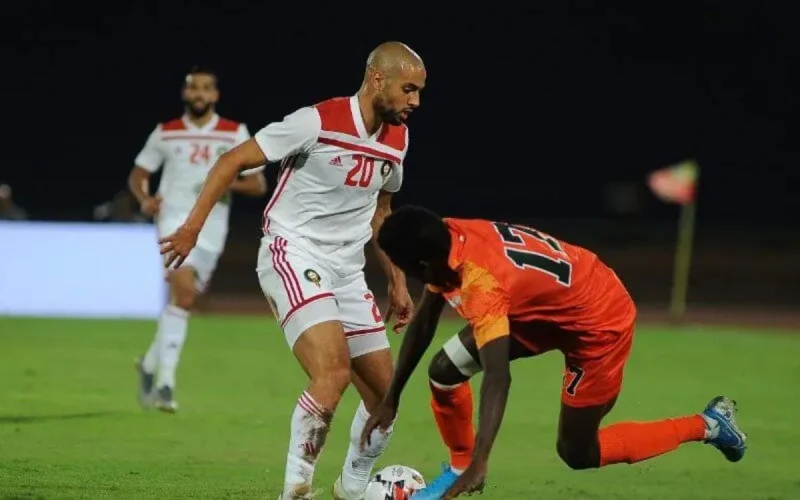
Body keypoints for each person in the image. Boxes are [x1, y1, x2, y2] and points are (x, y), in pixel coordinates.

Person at [158, 42, 426, 499]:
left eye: (419, 92)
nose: (415, 101)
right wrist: (192, 227)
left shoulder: (397, 138)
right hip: (293, 252)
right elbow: (232, 160)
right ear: (377, 79)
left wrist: (398, 281)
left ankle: (351, 488)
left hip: (347, 270)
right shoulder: (317, 121)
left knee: (386, 398)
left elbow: (382, 212)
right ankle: (294, 493)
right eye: (409, 89)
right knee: (333, 374)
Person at [362, 206, 748, 500]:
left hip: (597, 320)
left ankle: (709, 423)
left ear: (422, 264)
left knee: (577, 451)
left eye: (403, 267)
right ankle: (457, 467)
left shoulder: (482, 283)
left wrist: (484, 458)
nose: (403, 273)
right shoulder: (445, 239)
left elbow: (498, 377)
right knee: (444, 371)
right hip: (540, 306)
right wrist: (391, 397)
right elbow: (427, 320)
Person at [129, 66, 267, 413]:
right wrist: (145, 199)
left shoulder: (234, 132)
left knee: (184, 300)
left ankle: (148, 364)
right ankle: (165, 383)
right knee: (185, 293)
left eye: (206, 89)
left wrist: (222, 182)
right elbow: (139, 174)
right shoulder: (167, 133)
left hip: (212, 227)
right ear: (185, 94)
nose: (200, 94)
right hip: (173, 221)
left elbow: (258, 184)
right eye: (194, 89)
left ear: (215, 95)